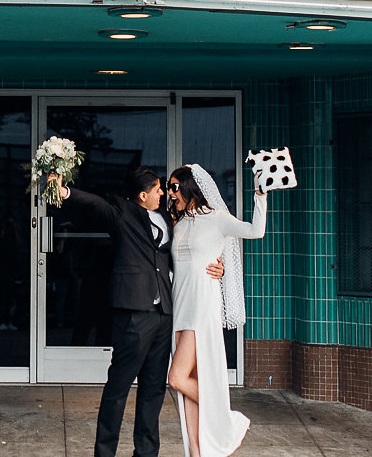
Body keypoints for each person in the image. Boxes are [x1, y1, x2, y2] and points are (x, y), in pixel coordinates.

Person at [50, 167, 223, 457]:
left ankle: (145, 452)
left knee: (153, 388)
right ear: (142, 195)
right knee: (119, 386)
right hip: (133, 312)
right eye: (157, 188)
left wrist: (218, 267)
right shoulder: (121, 213)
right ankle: (104, 452)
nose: (163, 192)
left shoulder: (171, 218)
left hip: (164, 313)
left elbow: (195, 247)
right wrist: (62, 190)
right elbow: (93, 203)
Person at [166, 163, 267, 457]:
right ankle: (196, 452)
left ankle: (225, 418)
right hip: (180, 305)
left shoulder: (218, 218)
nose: (171, 193)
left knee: (176, 378)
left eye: (174, 187)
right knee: (187, 386)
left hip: (203, 306)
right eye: (168, 187)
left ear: (189, 187)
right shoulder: (179, 222)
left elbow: (255, 231)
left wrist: (260, 194)